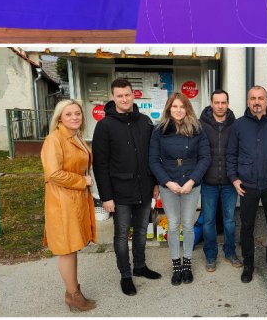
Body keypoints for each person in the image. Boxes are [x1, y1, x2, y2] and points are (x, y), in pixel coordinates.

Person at [92, 78, 161, 296]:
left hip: (144, 187)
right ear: (113, 97)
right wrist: (106, 196)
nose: (124, 99)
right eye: (119, 95)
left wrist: (156, 183)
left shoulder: (145, 121)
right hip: (119, 192)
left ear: (134, 95)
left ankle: (139, 266)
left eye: (127, 94)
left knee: (141, 230)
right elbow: (100, 164)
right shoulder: (104, 126)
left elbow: (152, 155)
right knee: (122, 235)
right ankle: (126, 275)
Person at [225, 85, 267, 284]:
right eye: (253, 98)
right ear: (248, 102)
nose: (257, 102)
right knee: (246, 226)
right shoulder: (239, 125)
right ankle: (249, 264)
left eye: (260, 98)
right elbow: (231, 154)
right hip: (247, 185)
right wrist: (234, 179)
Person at [40, 100, 97, 312]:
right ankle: (73, 295)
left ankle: (73, 291)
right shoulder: (54, 139)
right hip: (62, 201)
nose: (74, 117)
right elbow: (53, 174)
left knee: (72, 247)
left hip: (74, 199)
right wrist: (83, 181)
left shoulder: (76, 136)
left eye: (77, 113)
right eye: (69, 114)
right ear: (59, 118)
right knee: (67, 249)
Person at [149, 92, 210, 286]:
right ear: (169, 108)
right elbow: (153, 160)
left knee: (188, 224)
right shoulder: (159, 130)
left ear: (187, 109)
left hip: (191, 183)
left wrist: (192, 180)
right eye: (174, 107)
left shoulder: (197, 129)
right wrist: (167, 182)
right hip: (169, 185)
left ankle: (187, 264)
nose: (178, 110)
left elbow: (205, 157)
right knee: (174, 225)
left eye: (182, 107)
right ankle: (176, 264)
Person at [198, 90, 241, 273]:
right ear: (211, 103)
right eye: (217, 102)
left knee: (230, 220)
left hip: (230, 182)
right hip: (208, 181)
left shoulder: (236, 125)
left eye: (224, 102)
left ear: (228, 103)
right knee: (208, 221)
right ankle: (210, 255)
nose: (220, 106)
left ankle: (230, 252)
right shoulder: (201, 125)